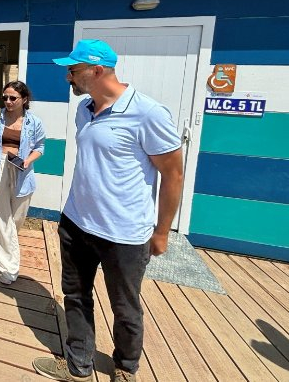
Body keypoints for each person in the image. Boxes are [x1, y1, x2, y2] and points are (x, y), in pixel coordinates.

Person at [32, 40, 184, 382]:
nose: (68, 77)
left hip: (124, 234)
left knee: (125, 308)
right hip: (76, 224)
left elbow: (173, 175)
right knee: (75, 296)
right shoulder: (83, 109)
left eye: (73, 70)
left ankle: (126, 368)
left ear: (97, 71)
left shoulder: (148, 113)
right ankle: (78, 365)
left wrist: (161, 231)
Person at [0, 81, 45, 285]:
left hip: (21, 170)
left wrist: (28, 160)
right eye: (5, 97)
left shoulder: (34, 122)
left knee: (16, 218)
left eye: (13, 98)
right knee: (1, 217)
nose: (8, 101)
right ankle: (8, 268)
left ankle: (5, 246)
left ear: (24, 99)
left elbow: (40, 147)